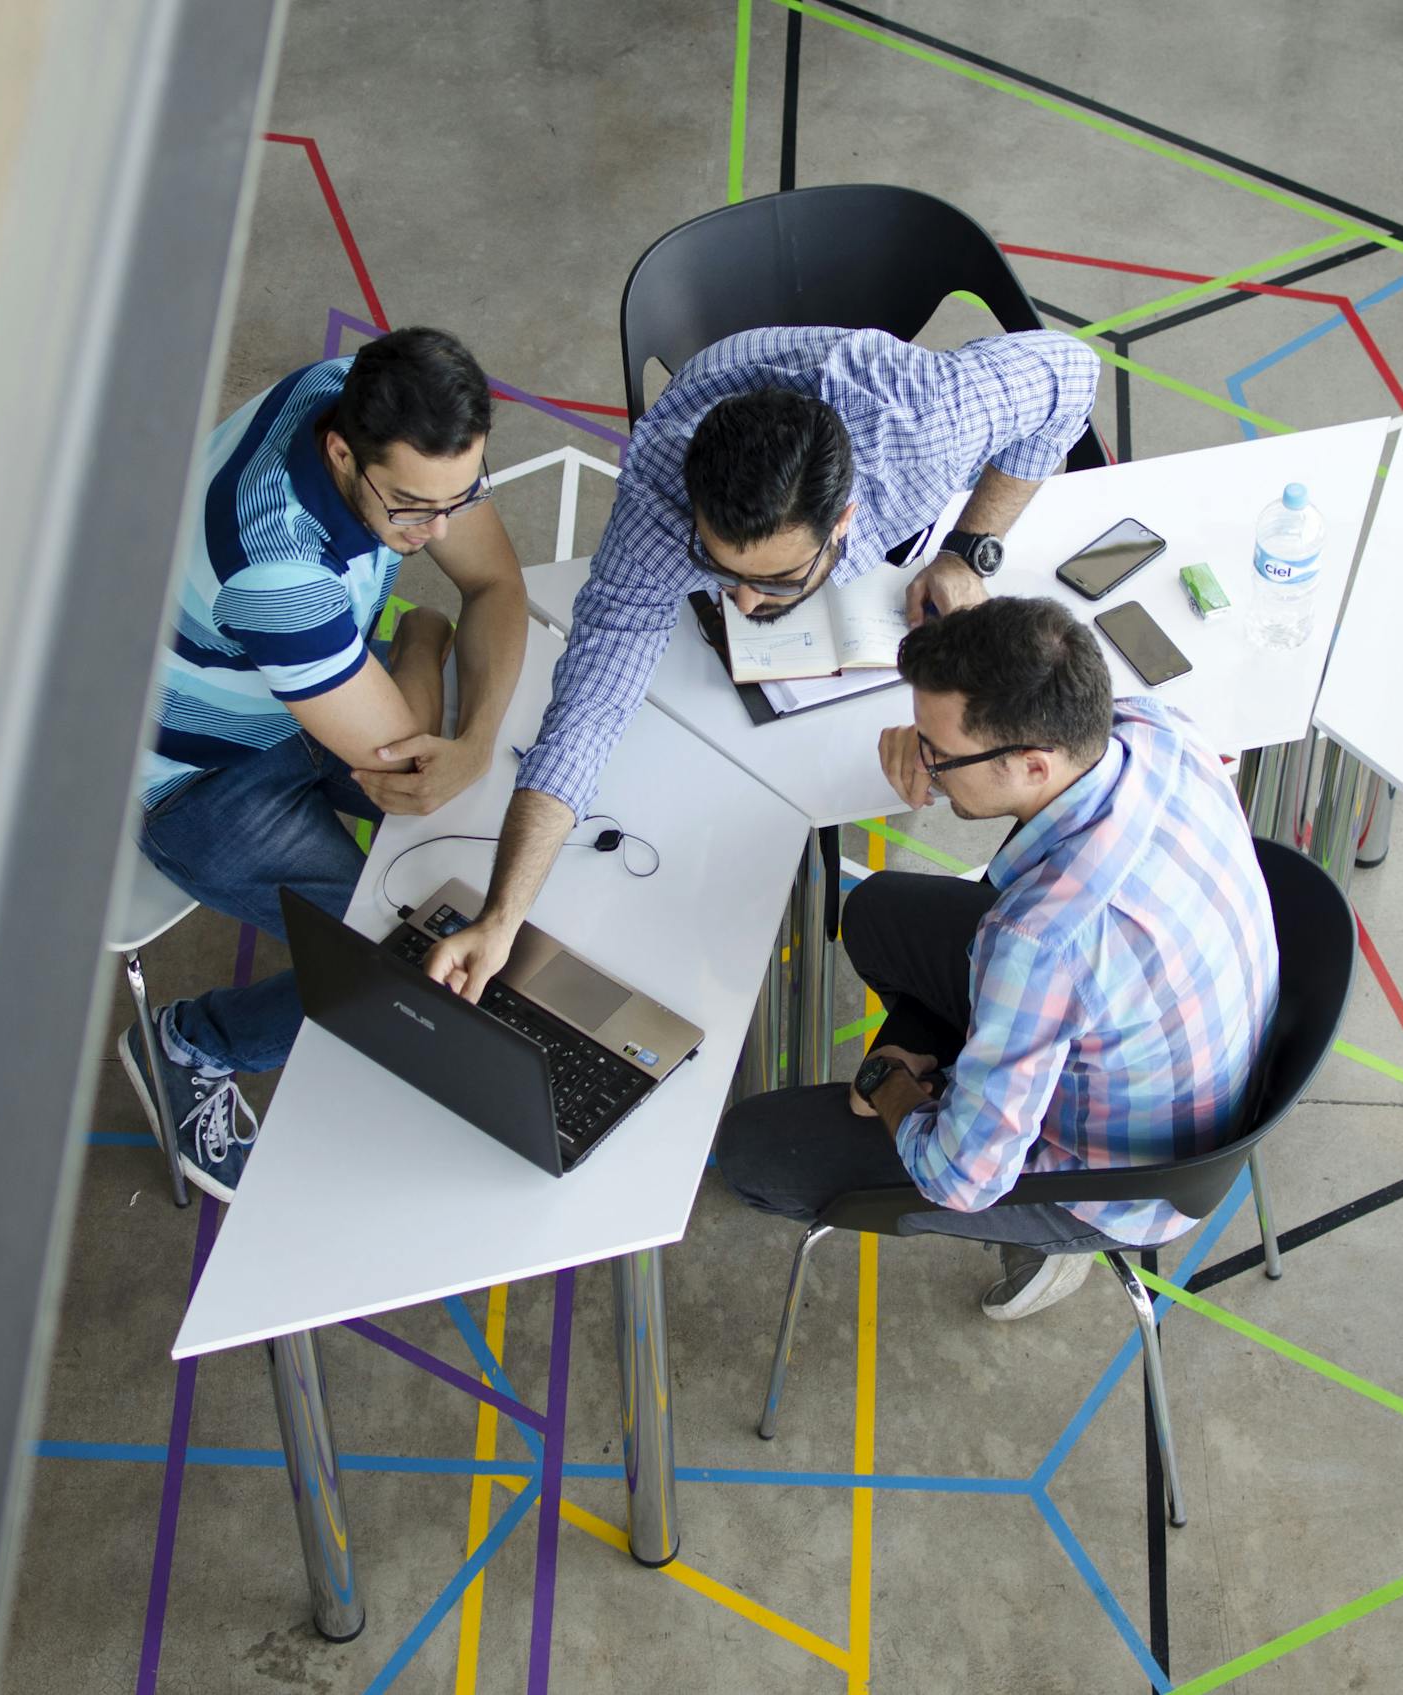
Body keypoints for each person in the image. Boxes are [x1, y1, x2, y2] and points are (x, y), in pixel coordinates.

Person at [421, 325, 1100, 1002]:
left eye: (775, 581)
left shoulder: (926, 424)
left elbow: (1074, 373)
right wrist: (502, 915)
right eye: (718, 568)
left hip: (875, 401)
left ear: (844, 522)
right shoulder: (659, 497)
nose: (743, 603)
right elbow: (588, 708)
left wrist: (969, 546)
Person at [714, 597, 1280, 1320]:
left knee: (753, 1150)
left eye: (937, 754)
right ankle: (967, 1075)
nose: (925, 764)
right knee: (877, 913)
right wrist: (927, 742)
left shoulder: (1039, 940)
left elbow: (960, 1176)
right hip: (1187, 1056)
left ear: (1033, 763)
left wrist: (889, 1080)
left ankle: (1047, 1244)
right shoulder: (1155, 729)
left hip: (1116, 1181)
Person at [120, 328, 528, 1200]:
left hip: (301, 689)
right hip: (197, 776)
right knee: (388, 962)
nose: (441, 529)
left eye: (463, 496)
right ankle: (193, 1043)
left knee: (478, 827)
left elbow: (495, 585)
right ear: (342, 453)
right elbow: (412, 762)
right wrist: (423, 637)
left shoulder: (370, 400)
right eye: (414, 509)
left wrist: (478, 738)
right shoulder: (276, 568)